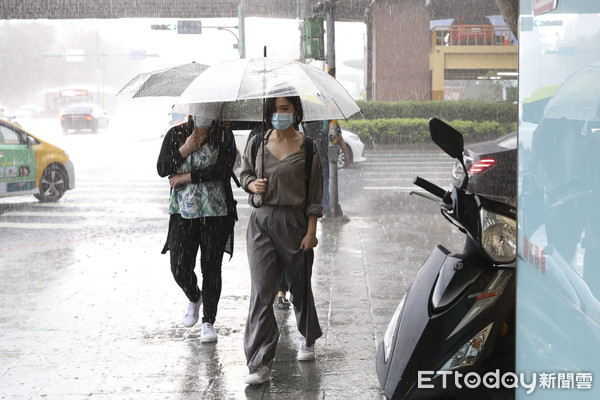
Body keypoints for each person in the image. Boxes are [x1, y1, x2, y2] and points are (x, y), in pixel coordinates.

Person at [240, 95, 324, 385]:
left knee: (299, 286)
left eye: (285, 108)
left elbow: (314, 196)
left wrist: (311, 232)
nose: (279, 114)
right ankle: (259, 361)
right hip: (261, 222)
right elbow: (244, 173)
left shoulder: (309, 148)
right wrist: (252, 185)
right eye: (274, 109)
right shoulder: (257, 142)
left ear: (295, 111)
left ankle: (308, 336)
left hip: (295, 222)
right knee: (262, 290)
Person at [156, 114, 238, 343]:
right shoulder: (176, 134)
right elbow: (162, 168)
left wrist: (188, 177)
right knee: (179, 266)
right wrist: (186, 148)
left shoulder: (222, 135)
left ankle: (208, 321)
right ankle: (194, 296)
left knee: (211, 268)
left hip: (216, 213)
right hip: (184, 213)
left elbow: (223, 170)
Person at [246, 123, 292, 311]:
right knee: (263, 262)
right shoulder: (256, 136)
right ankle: (265, 299)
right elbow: (245, 172)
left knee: (283, 256)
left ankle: (281, 292)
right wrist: (252, 184)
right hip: (262, 212)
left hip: (288, 211)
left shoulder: (296, 136)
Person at [301, 120, 349, 216]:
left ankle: (320, 205)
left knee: (318, 180)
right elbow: (339, 137)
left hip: (314, 152)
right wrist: (346, 155)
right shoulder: (331, 120)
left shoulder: (309, 121)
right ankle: (326, 207)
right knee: (326, 180)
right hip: (326, 153)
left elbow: (305, 136)